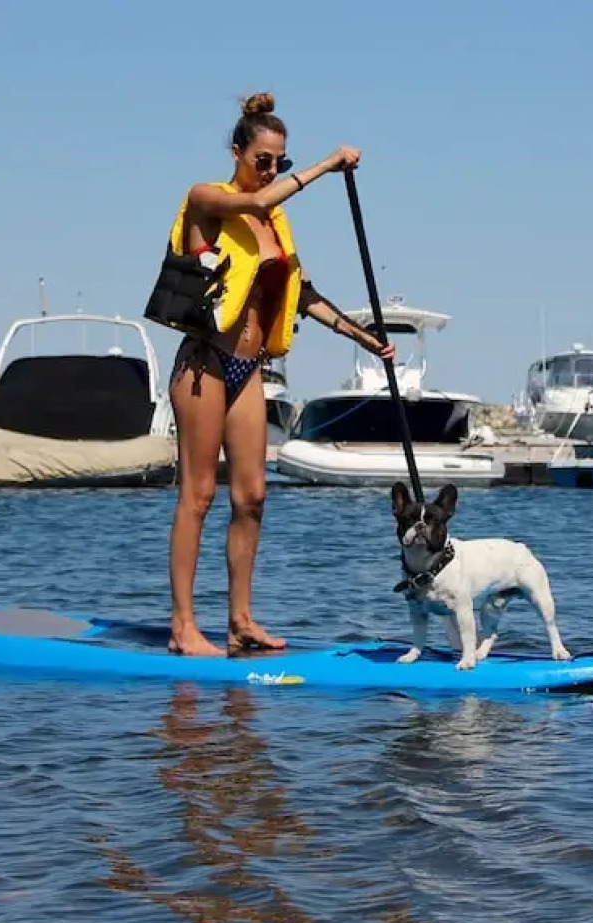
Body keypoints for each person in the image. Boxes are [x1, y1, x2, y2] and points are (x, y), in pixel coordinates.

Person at [162, 92, 396, 657]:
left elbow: (302, 295)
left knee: (252, 496)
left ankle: (240, 620)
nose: (270, 171)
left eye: (280, 162)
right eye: (262, 159)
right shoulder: (206, 199)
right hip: (205, 365)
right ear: (238, 152)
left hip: (249, 368)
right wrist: (327, 164)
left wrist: (365, 337)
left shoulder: (275, 221)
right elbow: (259, 198)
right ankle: (182, 627)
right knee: (198, 495)